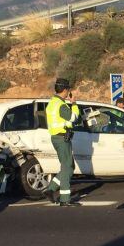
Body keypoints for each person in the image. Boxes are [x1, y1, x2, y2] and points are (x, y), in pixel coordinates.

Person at [45, 78, 81, 207]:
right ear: (65, 90)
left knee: (70, 167)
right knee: (66, 168)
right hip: (62, 138)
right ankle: (65, 199)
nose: (68, 93)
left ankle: (51, 189)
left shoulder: (52, 103)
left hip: (57, 137)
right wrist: (74, 104)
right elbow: (73, 118)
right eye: (68, 90)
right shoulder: (61, 105)